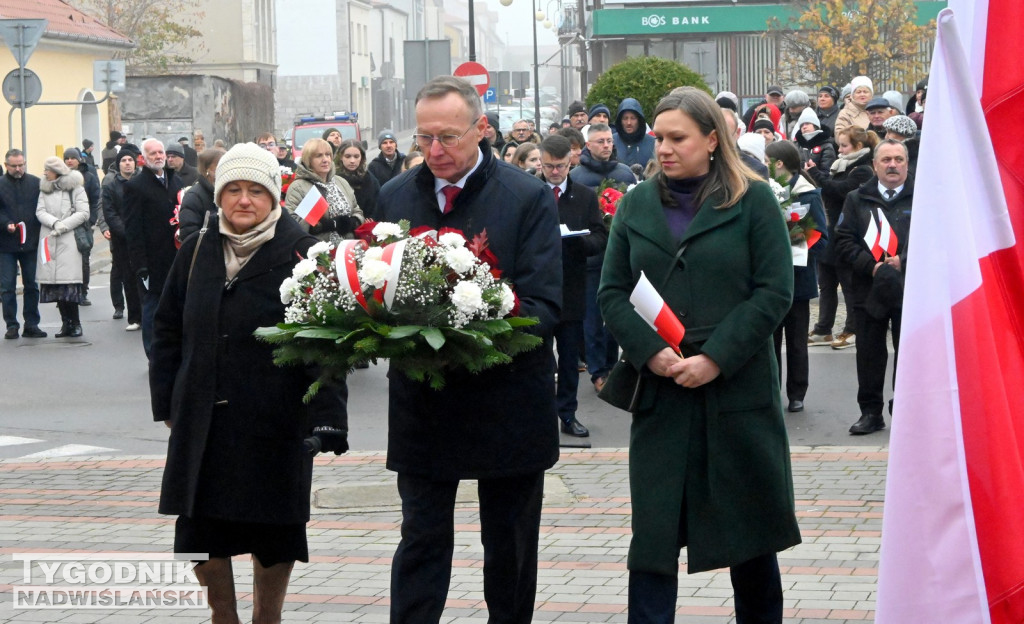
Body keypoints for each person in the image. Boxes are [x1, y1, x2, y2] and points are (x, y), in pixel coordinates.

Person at [597, 86, 800, 624]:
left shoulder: (754, 199)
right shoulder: (636, 203)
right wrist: (651, 353)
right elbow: (612, 293)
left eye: (677, 137)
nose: (662, 147)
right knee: (654, 544)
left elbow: (774, 291)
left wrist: (715, 358)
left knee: (751, 541)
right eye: (659, 136)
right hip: (662, 395)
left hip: (737, 392)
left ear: (712, 139)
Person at [375, 75, 561, 623]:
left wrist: (468, 325)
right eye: (424, 137)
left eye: (449, 137)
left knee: (509, 549)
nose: (435, 150)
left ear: (482, 129)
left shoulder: (525, 197)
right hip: (423, 405)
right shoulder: (393, 196)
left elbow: (546, 306)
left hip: (506, 405)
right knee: (421, 543)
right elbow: (376, 286)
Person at [149, 142, 349, 624]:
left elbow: (328, 343)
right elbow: (167, 327)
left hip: (276, 417)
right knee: (201, 528)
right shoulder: (196, 250)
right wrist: (168, 403)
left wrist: (327, 419)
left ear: (274, 195)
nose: (243, 201)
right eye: (232, 190)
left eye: (255, 191)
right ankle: (224, 616)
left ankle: (267, 618)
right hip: (203, 417)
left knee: (274, 527)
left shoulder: (303, 253)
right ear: (218, 195)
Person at [834, 139, 913, 435]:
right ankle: (870, 412)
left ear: (906, 163)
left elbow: (937, 238)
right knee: (868, 354)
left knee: (908, 355)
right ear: (875, 165)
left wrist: (903, 260)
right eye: (886, 160)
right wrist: (873, 266)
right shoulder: (857, 198)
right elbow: (843, 240)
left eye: (898, 159)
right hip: (867, 292)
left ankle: (904, 410)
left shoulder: (923, 196)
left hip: (909, 292)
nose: (892, 165)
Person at [539, 134, 607, 438]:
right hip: (536, 289)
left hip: (571, 287)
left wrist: (580, 242)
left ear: (571, 161)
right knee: (537, 360)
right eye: (550, 166)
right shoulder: (531, 192)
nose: (555, 172)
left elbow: (600, 237)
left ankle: (567, 415)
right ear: (540, 162)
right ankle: (537, 418)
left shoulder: (584, 196)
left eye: (561, 166)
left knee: (569, 359)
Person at [765, 140, 828, 413]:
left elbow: (823, 238)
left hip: (799, 280)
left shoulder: (808, 194)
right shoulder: (766, 191)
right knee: (770, 341)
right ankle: (771, 390)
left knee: (797, 341)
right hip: (771, 280)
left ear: (779, 164)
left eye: (767, 160)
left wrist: (800, 240)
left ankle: (797, 393)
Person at [805, 126, 878, 350]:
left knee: (849, 285)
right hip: (831, 231)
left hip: (847, 233)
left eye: (844, 145)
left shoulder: (863, 169)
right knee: (826, 284)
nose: (840, 149)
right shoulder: (841, 165)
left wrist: (816, 174)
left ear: (858, 146)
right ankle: (823, 328)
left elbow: (839, 190)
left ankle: (852, 329)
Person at [124, 138, 184, 358]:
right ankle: (153, 353)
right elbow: (133, 229)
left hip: (177, 255)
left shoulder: (175, 181)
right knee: (153, 306)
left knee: (176, 305)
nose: (159, 156)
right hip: (153, 259)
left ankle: (174, 349)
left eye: (161, 152)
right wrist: (140, 265)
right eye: (153, 154)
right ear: (144, 158)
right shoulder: (135, 187)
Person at [35, 157, 90, 338]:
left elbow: (83, 213)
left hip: (69, 240)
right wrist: (55, 223)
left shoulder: (75, 188)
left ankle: (76, 323)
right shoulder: (45, 189)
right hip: (50, 239)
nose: (44, 173)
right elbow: (40, 211)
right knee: (55, 286)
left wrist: (63, 226)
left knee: (69, 285)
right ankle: (65, 323)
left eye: (47, 169)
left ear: (56, 171)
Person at [0, 149, 45, 339]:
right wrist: (5, 223)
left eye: (21, 164)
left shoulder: (35, 183)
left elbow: (42, 208)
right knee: (7, 286)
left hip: (31, 242)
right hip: (5, 244)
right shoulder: (0, 184)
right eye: (14, 166)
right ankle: (12, 324)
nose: (18, 169)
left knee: (32, 285)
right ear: (6, 166)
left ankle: (32, 324)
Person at [284, 138, 364, 243]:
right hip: (318, 252)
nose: (325, 159)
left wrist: (352, 222)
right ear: (308, 160)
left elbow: (357, 211)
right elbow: (292, 224)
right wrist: (327, 225)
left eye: (328, 155)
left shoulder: (341, 182)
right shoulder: (298, 187)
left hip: (348, 249)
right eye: (319, 156)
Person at [100, 148, 143, 330]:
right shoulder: (111, 185)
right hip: (122, 240)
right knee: (128, 278)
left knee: (145, 277)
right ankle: (134, 318)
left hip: (143, 238)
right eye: (123, 160)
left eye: (130, 160)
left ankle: (148, 314)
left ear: (135, 163)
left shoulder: (143, 183)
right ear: (118, 164)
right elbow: (109, 212)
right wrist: (127, 232)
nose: (127, 163)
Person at [63, 148, 100, 306]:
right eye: (67, 158)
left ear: (79, 160)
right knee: (65, 261)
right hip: (64, 226)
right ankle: (66, 293)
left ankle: (83, 292)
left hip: (83, 225)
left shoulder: (89, 177)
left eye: (73, 158)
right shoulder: (59, 178)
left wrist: (91, 220)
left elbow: (95, 199)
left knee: (83, 260)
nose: (70, 161)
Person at [177, 147, 226, 242]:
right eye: (220, 166)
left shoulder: (225, 191)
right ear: (207, 169)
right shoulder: (194, 196)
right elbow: (189, 236)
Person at [336, 138, 380, 220]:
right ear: (341, 157)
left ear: (362, 157)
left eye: (356, 156)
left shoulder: (370, 179)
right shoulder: (333, 179)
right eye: (348, 156)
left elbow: (376, 206)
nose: (352, 161)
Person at [613, 98, 656, 169]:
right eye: (625, 118)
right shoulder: (611, 141)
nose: (629, 123)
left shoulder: (652, 143)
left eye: (633, 118)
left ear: (639, 120)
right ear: (620, 121)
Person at [794, 108, 836, 173]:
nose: (804, 127)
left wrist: (812, 171)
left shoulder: (826, 146)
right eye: (801, 125)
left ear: (815, 125)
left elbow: (827, 173)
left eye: (807, 123)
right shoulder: (796, 145)